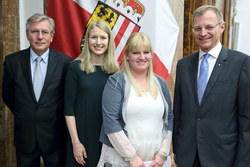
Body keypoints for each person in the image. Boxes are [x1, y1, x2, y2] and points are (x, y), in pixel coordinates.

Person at [173, 5, 250, 167]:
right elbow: (179, 112)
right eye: (197, 28)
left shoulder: (242, 63)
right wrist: (178, 151)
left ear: (222, 27)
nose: (203, 33)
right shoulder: (183, 65)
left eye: (209, 27)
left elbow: (246, 120)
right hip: (187, 157)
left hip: (223, 158)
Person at [2, 13, 73, 167]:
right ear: (27, 34)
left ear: (52, 36)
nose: (40, 37)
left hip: (55, 138)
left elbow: (68, 99)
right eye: (35, 31)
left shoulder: (66, 63)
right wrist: (26, 112)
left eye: (45, 32)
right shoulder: (12, 62)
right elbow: (7, 95)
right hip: (25, 137)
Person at [97, 32, 174, 167]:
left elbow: (170, 118)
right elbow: (110, 121)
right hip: (121, 160)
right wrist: (131, 157)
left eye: (146, 52)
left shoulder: (161, 83)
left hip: (154, 162)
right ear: (127, 55)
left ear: (151, 55)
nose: (142, 57)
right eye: (136, 53)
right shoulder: (116, 82)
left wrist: (163, 153)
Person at [64, 20, 120, 167]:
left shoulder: (117, 71)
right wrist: (75, 142)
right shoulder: (75, 68)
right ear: (87, 40)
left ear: (109, 41)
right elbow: (68, 109)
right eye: (94, 37)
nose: (98, 42)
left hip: (109, 139)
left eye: (103, 38)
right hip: (82, 138)